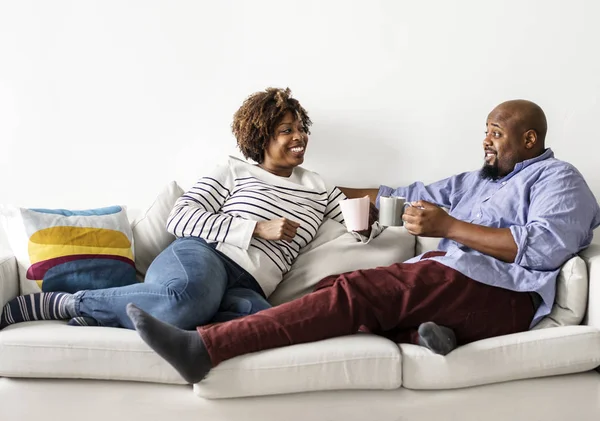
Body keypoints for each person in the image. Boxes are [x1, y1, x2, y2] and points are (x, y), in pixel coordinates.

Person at [123, 99, 600, 384]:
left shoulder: (560, 179)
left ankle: (203, 350)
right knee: (362, 300)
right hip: (457, 287)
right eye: (485, 132)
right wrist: (316, 187)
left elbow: (544, 247)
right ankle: (430, 333)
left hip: (500, 291)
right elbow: (403, 195)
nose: (486, 142)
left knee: (356, 293)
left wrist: (450, 227)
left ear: (531, 138)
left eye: (496, 133)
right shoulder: (477, 181)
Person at [0, 87, 381, 331]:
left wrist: (369, 228)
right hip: (203, 256)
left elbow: (356, 220)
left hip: (252, 284)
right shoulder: (234, 170)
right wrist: (256, 229)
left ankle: (109, 317)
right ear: (262, 136)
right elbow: (180, 218)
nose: (299, 137)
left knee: (269, 327)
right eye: (286, 130)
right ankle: (66, 302)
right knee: (185, 301)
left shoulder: (320, 188)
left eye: (300, 128)